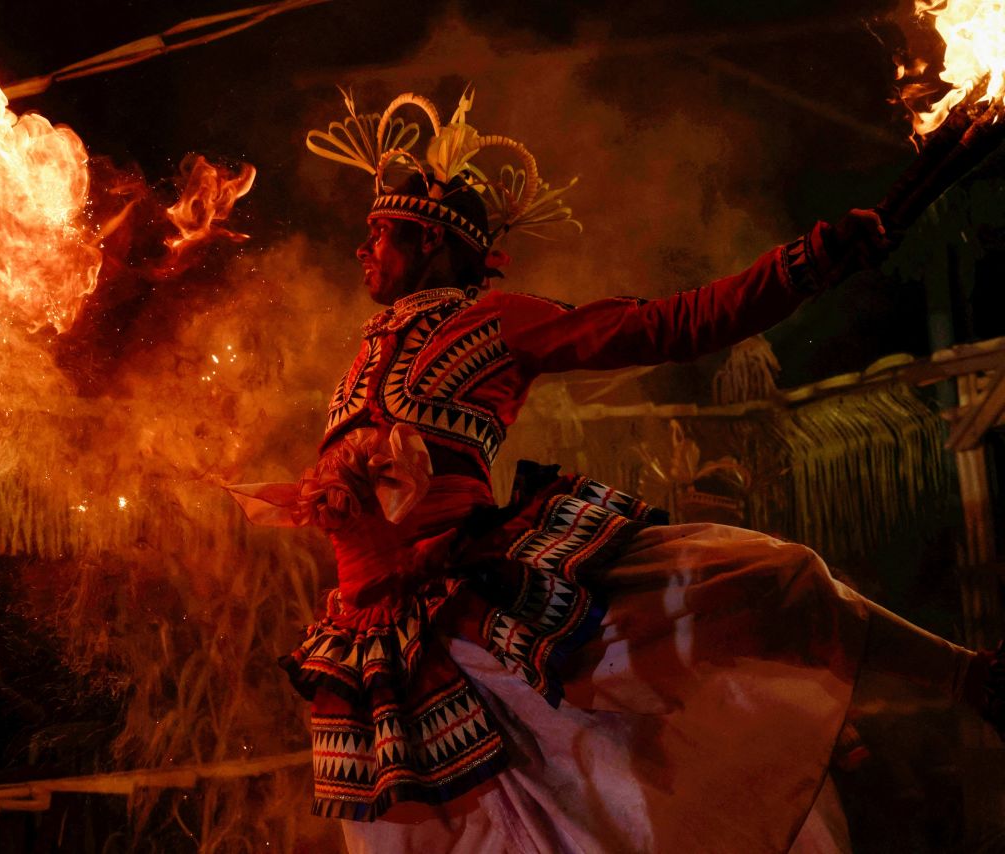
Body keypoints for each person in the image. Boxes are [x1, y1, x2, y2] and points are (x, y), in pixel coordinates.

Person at [229, 88, 1004, 852]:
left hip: (475, 599)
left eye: (382, 231)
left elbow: (671, 325)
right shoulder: (364, 352)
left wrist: (808, 263)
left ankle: (973, 676)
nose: (362, 247)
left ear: (432, 242)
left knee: (773, 578)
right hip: (377, 647)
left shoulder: (497, 322)